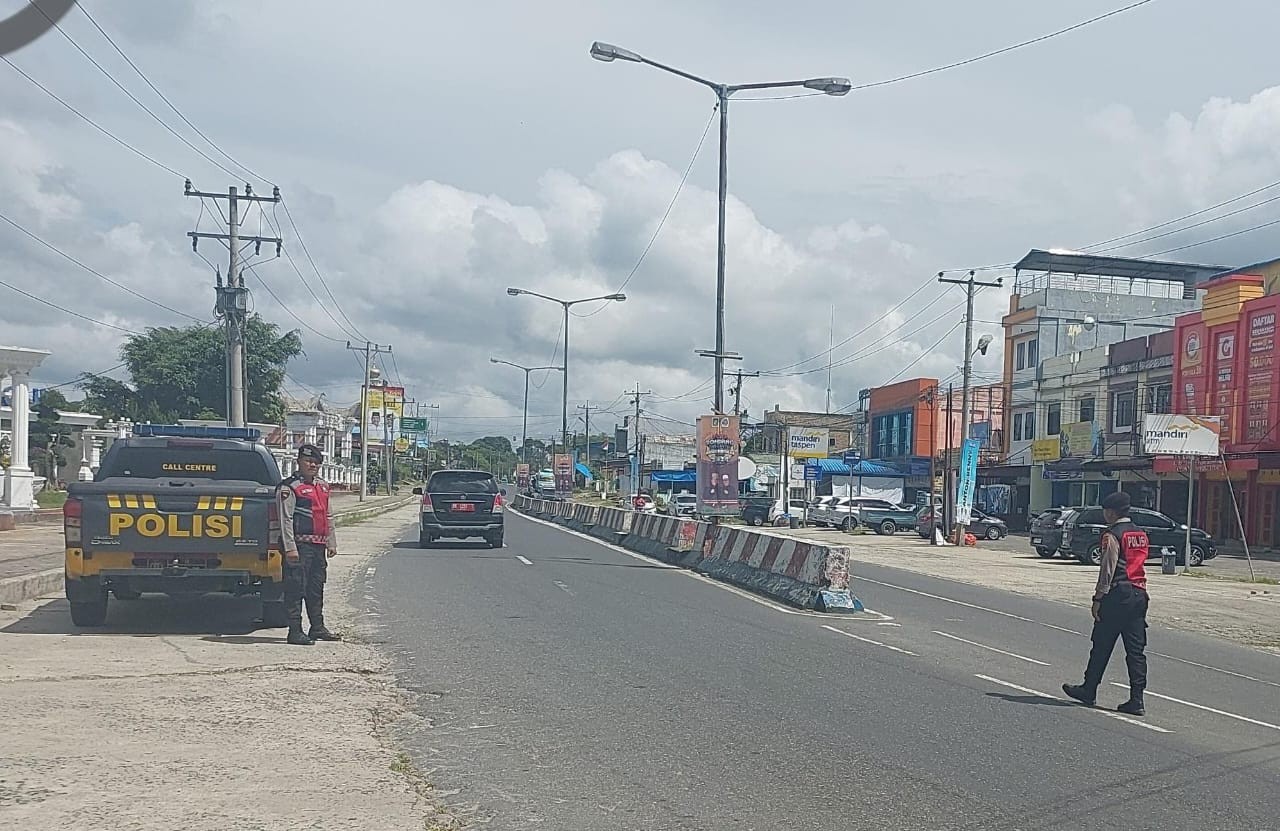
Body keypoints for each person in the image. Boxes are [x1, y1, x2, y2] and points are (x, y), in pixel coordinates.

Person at [1063, 491, 1149, 715]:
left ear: (1111, 512)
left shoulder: (1112, 535)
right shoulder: (1140, 533)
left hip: (1117, 595)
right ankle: (1137, 699)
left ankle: (1089, 689)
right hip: (1139, 594)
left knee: (1101, 645)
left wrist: (1098, 598)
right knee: (1136, 651)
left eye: (1105, 511)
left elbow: (1108, 569)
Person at [278, 443, 341, 646]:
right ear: (299, 462)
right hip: (299, 546)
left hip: (318, 547)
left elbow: (328, 516)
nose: (312, 465)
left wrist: (331, 542)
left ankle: (317, 627)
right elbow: (285, 519)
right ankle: (295, 631)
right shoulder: (290, 487)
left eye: (316, 462)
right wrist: (289, 547)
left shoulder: (322, 486)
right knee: (296, 588)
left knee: (316, 588)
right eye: (308, 461)